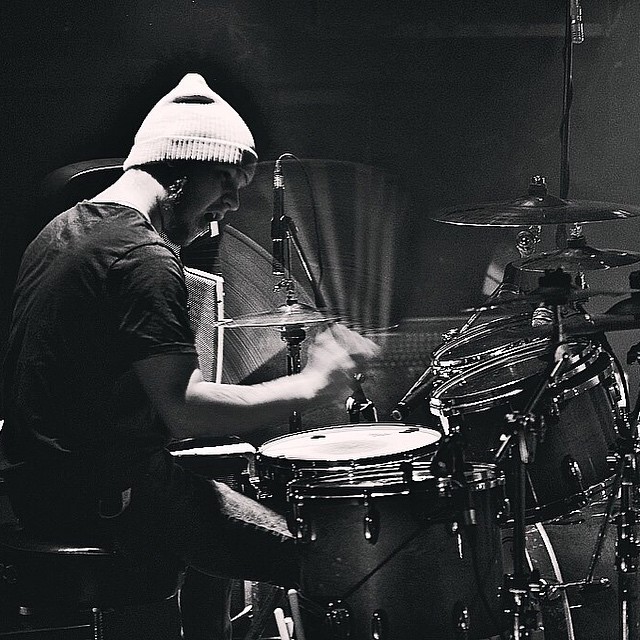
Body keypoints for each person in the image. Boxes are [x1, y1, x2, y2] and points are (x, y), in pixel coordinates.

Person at [0, 73, 378, 638]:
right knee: (329, 563)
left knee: (215, 495)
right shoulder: (142, 257)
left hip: (42, 487)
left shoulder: (64, 230)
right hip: (106, 498)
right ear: (180, 167)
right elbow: (185, 408)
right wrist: (312, 384)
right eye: (226, 181)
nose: (231, 204)